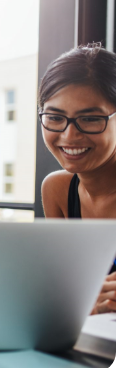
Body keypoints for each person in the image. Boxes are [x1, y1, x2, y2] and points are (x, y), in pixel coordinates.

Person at [39, 44, 116, 315]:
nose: (70, 136)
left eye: (91, 119)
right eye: (55, 117)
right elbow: (64, 289)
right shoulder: (58, 189)